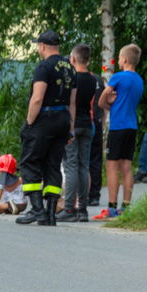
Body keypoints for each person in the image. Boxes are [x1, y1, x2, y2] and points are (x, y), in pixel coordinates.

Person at [16, 30, 76, 226]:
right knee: (53, 164)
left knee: (29, 161)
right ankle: (50, 213)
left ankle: (37, 210)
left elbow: (37, 97)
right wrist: (71, 128)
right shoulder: (70, 67)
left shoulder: (44, 67)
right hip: (63, 119)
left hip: (44, 118)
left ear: (42, 46)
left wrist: (29, 123)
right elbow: (73, 102)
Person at [93, 43, 143, 220]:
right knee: (127, 166)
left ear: (124, 59)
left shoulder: (118, 77)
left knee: (112, 166)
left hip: (118, 126)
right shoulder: (139, 79)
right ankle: (126, 207)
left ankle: (112, 207)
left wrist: (108, 102)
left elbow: (101, 101)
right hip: (132, 126)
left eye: (120, 58)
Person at [57, 43, 97, 222]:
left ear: (72, 59)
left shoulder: (72, 78)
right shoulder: (93, 79)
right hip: (87, 125)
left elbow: (68, 102)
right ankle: (83, 209)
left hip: (73, 124)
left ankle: (69, 208)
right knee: (83, 165)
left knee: (70, 165)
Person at [87, 72, 106, 207]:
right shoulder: (98, 79)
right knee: (96, 160)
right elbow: (103, 106)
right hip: (97, 122)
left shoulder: (77, 77)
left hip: (84, 122)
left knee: (81, 161)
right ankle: (94, 195)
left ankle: (82, 195)